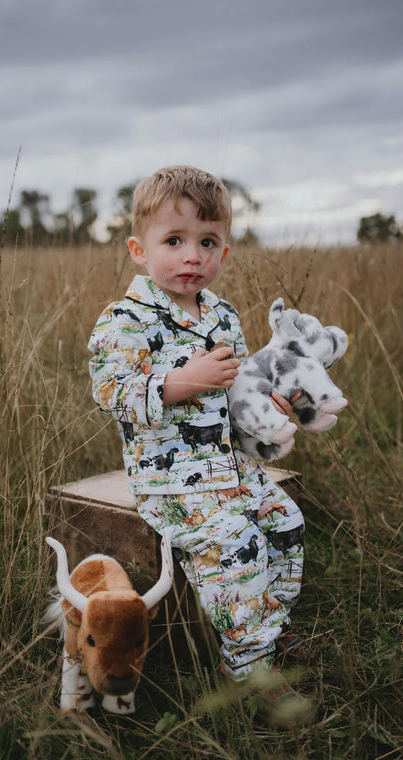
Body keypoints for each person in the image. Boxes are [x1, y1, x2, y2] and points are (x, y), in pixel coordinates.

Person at [88, 166, 310, 723]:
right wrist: (180, 381)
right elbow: (111, 391)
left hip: (229, 467)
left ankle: (267, 626)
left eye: (206, 242)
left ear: (224, 253)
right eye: (174, 241)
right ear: (139, 250)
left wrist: (267, 410)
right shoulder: (125, 322)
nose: (192, 256)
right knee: (236, 542)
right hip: (172, 478)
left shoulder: (223, 317)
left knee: (284, 522)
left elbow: (235, 394)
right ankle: (249, 665)